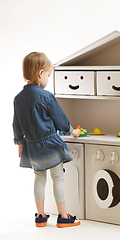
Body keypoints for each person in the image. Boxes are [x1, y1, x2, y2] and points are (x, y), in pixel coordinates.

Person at [12, 52, 80, 228]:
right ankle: (64, 216)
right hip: (49, 144)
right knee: (58, 178)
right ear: (41, 73)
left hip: (32, 146)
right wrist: (71, 131)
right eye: (48, 76)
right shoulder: (46, 96)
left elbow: (16, 124)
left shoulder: (18, 99)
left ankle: (41, 216)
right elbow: (60, 118)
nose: (48, 80)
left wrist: (20, 143)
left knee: (39, 179)